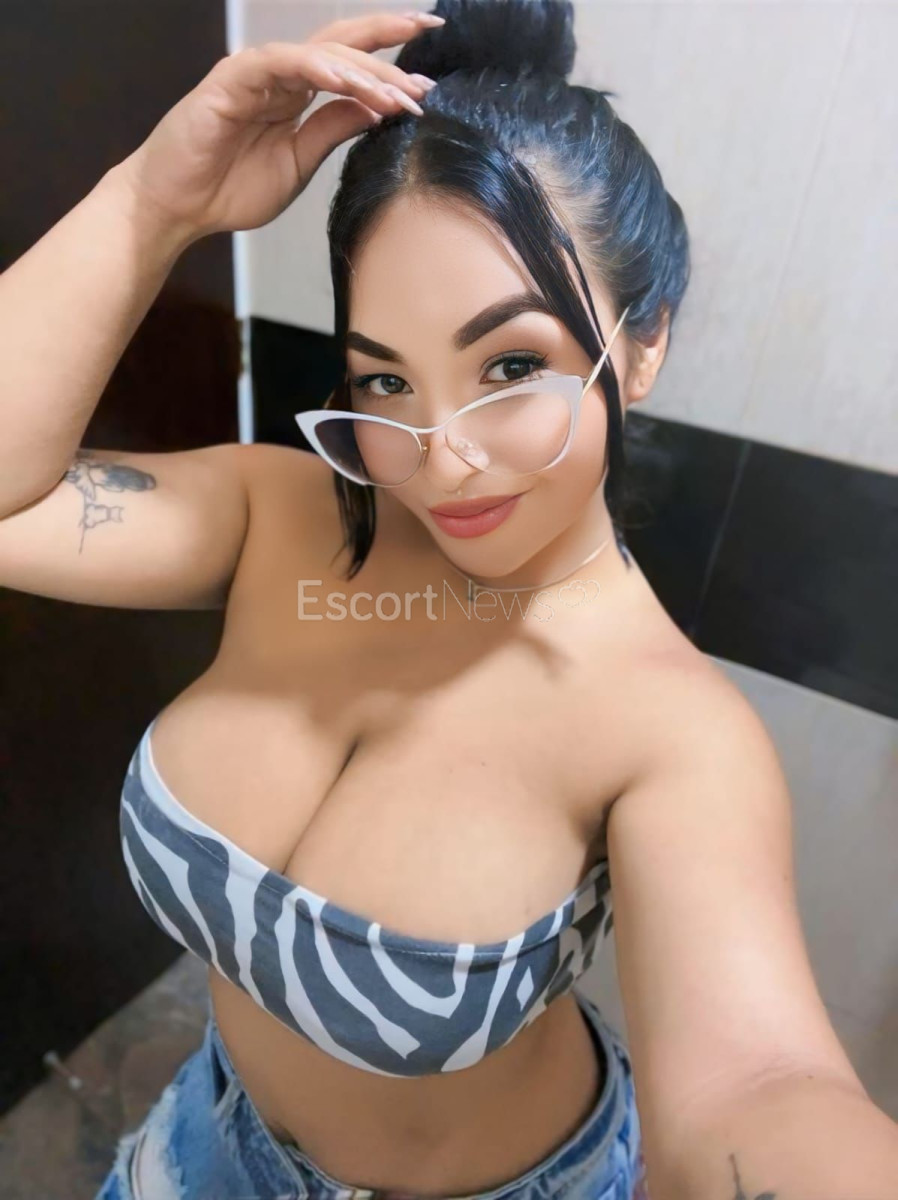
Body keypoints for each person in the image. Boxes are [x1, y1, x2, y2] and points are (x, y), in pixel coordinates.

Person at [3, 1, 897, 1197]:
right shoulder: (284, 517)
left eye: (511, 365)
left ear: (642, 345)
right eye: (385, 381)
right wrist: (149, 203)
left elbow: (757, 1088)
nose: (443, 459)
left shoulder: (673, 731)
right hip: (204, 1144)